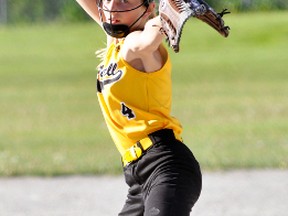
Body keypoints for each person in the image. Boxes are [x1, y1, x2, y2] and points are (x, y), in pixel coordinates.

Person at [76, 0, 202, 215]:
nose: (113, 7)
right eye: (108, 0)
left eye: (125, 0)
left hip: (166, 166)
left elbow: (145, 42)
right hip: (137, 178)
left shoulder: (136, 46)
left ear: (149, 7)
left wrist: (168, 14)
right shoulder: (115, 40)